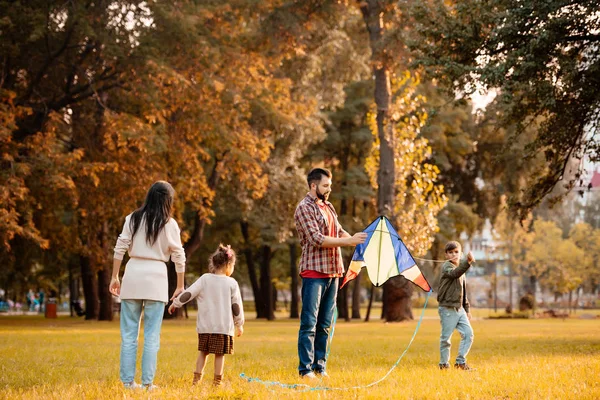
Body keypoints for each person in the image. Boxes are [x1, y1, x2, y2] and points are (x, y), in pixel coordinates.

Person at [109, 181, 186, 390]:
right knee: (152, 334)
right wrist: (180, 285)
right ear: (167, 200)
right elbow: (179, 255)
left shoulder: (132, 218)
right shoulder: (169, 224)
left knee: (128, 334)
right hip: (157, 279)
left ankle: (127, 382)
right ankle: (148, 383)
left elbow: (120, 247)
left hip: (133, 275)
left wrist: (115, 276)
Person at [294, 168, 367, 379]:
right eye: (325, 186)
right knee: (309, 323)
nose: (328, 190)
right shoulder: (304, 208)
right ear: (313, 185)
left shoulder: (328, 206)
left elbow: (339, 231)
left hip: (334, 271)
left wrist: (355, 239)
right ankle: (305, 369)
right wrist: (348, 241)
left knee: (325, 324)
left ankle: (320, 366)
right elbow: (317, 239)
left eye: (330, 186)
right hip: (314, 272)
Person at [169, 244, 244, 387]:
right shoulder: (231, 283)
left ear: (214, 263)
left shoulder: (204, 279)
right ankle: (217, 382)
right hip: (222, 328)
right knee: (219, 355)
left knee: (203, 352)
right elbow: (236, 307)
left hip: (205, 327)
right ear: (229, 265)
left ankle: (196, 382)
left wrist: (176, 303)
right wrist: (239, 324)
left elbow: (189, 293)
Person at [437, 241, 476, 371]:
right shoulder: (447, 267)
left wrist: (467, 309)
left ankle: (460, 362)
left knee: (468, 334)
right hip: (447, 308)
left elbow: (463, 292)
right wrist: (468, 262)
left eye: (456, 252)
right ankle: (443, 364)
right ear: (446, 255)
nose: (453, 254)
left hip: (459, 309)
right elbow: (454, 274)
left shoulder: (461, 270)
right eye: (450, 252)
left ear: (461, 253)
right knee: (446, 338)